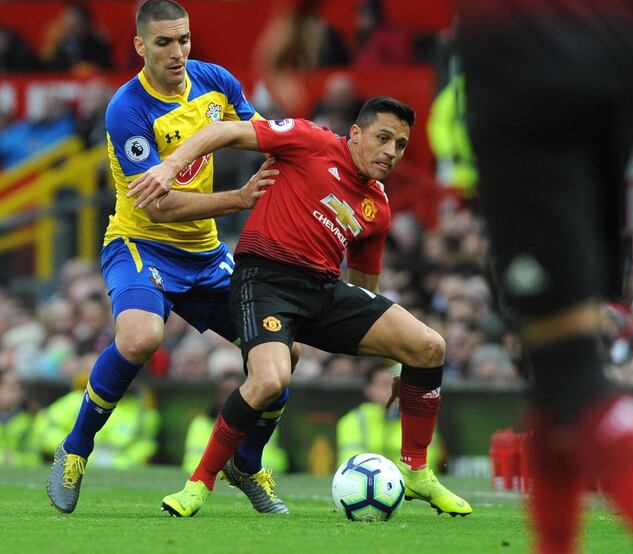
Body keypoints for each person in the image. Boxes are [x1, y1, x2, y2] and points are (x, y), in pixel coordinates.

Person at [253, 0, 633, 552]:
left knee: (569, 366)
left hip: (518, 56)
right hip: (616, 59)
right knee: (556, 357)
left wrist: (298, 5)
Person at [128, 96, 472, 518]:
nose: (390, 152)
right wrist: (168, 167)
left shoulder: (377, 208)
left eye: (400, 145)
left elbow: (366, 292)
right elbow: (225, 130)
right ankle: (199, 483)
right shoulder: (310, 140)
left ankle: (417, 472)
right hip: (264, 280)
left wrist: (395, 364)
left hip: (323, 291)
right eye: (383, 138)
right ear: (357, 134)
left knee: (429, 346)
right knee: (270, 380)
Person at [45, 0, 295, 515]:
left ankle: (245, 463)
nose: (177, 51)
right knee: (141, 336)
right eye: (164, 42)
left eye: (183, 39)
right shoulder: (127, 109)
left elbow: (260, 135)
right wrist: (238, 199)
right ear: (140, 45)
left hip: (205, 254)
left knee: (282, 355)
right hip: (140, 244)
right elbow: (157, 209)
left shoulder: (216, 82)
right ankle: (74, 450)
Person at [336, 363, 441, 469]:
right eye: (385, 384)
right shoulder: (353, 421)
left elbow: (426, 462)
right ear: (368, 389)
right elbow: (349, 462)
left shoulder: (420, 419)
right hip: (368, 482)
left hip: (410, 483)